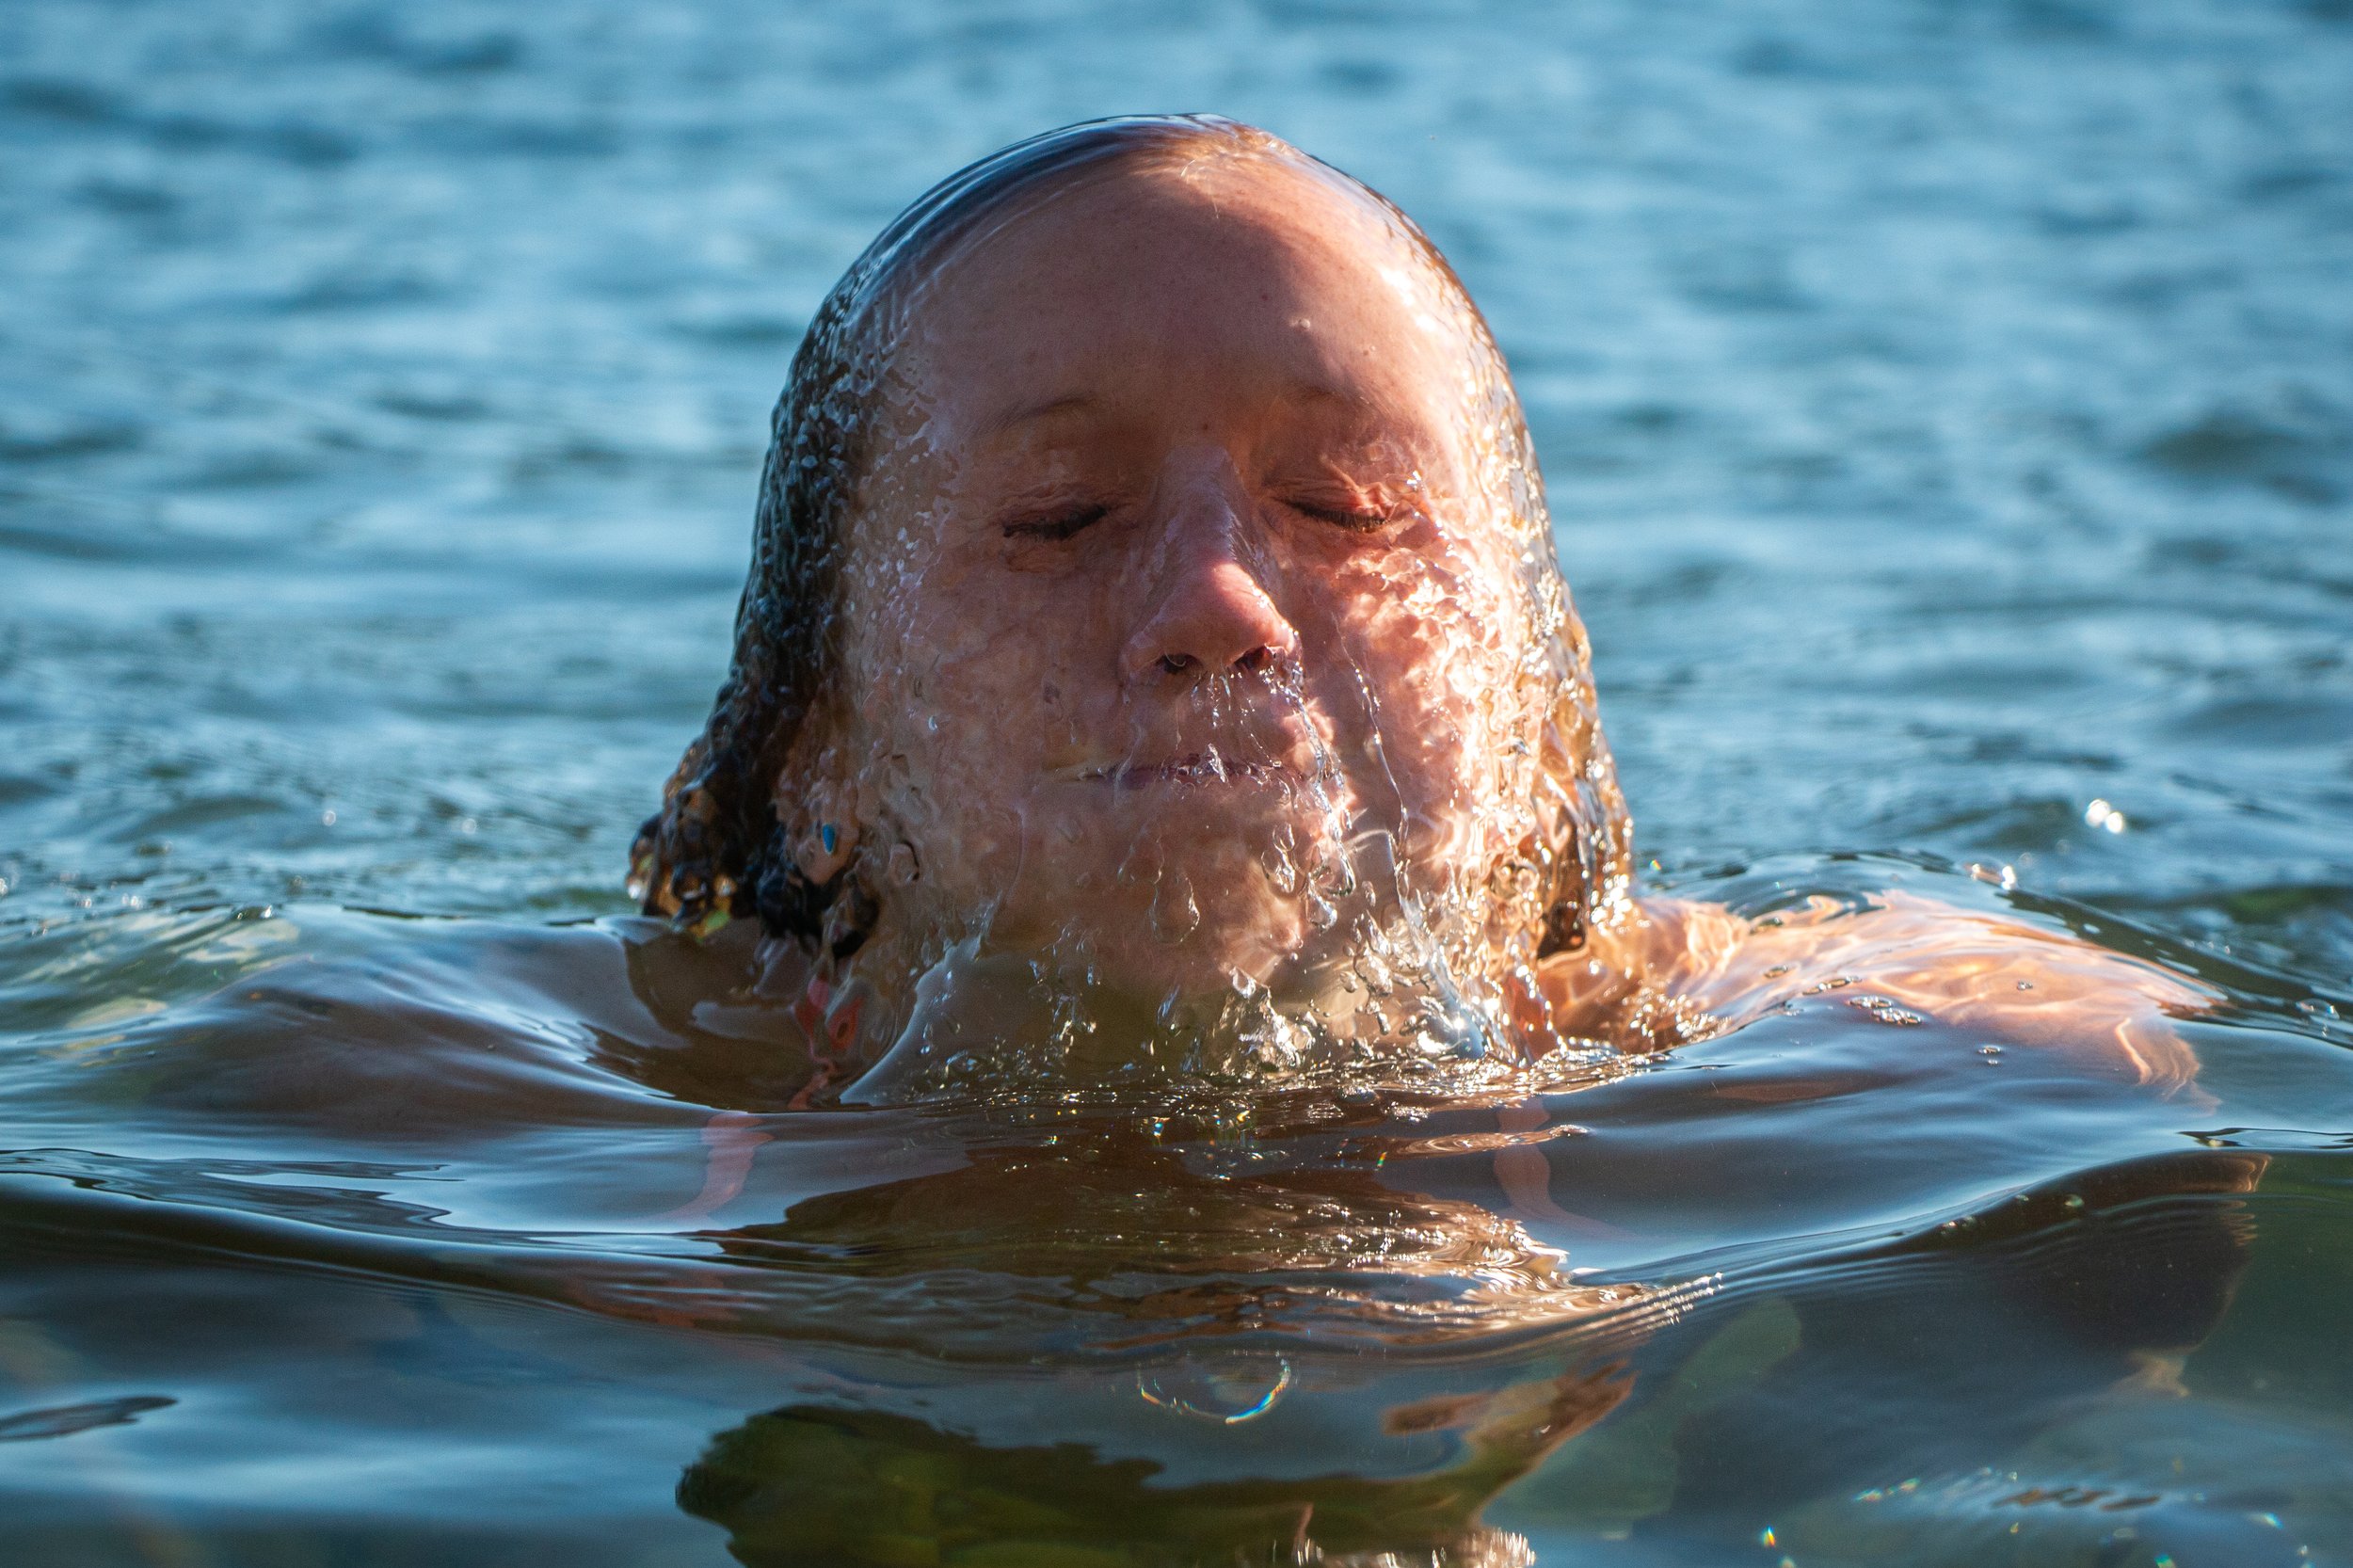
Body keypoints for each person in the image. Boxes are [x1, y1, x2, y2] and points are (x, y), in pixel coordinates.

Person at [632, 115, 2209, 1102]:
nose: (1217, 598)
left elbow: (2091, 1035)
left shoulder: (1774, 1053)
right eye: (1059, 516)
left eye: (1343, 507)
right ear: (816, 751)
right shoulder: (614, 1117)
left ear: (1531, 725)